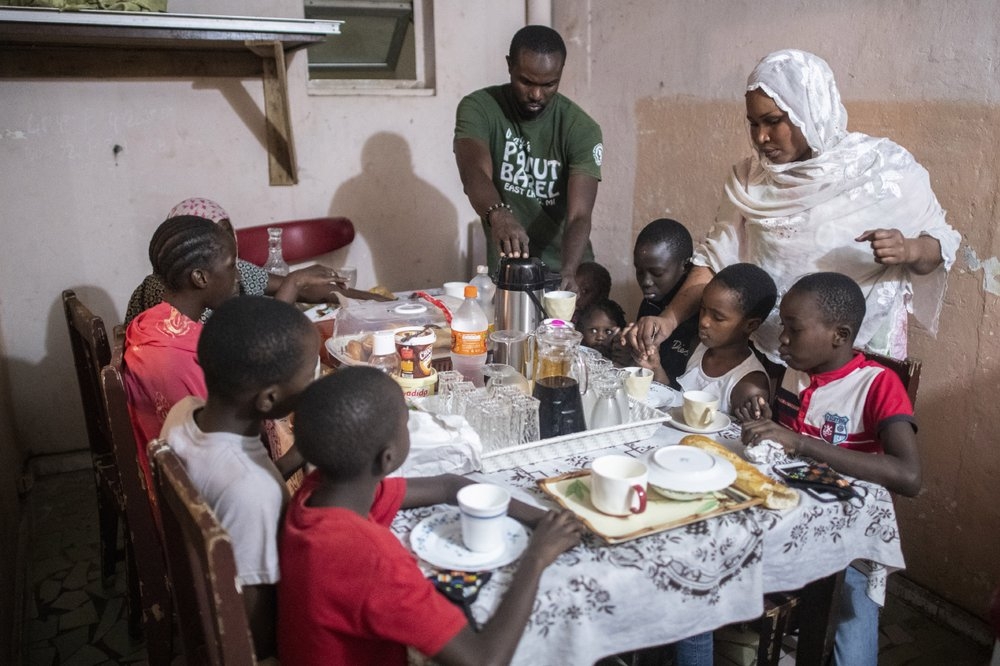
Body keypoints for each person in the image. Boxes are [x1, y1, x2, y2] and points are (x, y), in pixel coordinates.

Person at [628, 49, 960, 364]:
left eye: (772, 121)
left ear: (810, 111)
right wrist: (669, 319)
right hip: (770, 345)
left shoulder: (882, 169)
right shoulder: (748, 180)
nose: (760, 138)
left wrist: (910, 249)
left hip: (855, 358)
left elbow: (942, 242)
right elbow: (716, 260)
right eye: (754, 123)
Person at [277, 367, 584, 666]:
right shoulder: (371, 558)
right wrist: (537, 556)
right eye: (407, 424)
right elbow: (484, 659)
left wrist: (541, 520)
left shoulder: (320, 491)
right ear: (387, 458)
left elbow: (448, 484)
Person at [736, 272, 920, 666]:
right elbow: (788, 442)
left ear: (840, 334)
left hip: (845, 539)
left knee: (850, 619)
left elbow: (909, 477)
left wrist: (802, 443)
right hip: (787, 519)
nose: (782, 339)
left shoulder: (877, 385)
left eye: (793, 329)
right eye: (783, 326)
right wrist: (765, 418)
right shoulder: (796, 370)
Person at [158, 296, 316, 659]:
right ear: (269, 399)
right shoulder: (252, 492)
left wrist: (294, 457)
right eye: (309, 376)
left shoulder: (186, 412)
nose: (313, 383)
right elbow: (254, 634)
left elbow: (228, 481)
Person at [454, 25, 603, 291]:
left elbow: (579, 215)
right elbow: (473, 171)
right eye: (526, 82)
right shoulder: (480, 108)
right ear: (509, 65)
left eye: (549, 84)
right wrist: (499, 215)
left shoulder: (581, 128)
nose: (536, 94)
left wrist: (568, 272)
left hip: (567, 268)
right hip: (510, 272)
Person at [123, 215, 238, 489]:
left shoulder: (151, 321)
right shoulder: (182, 359)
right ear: (200, 277)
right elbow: (220, 454)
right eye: (231, 266)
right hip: (186, 503)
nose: (238, 275)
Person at [125, 197, 343, 324]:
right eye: (214, 241)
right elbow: (254, 349)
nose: (227, 244)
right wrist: (293, 281)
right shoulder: (165, 298)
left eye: (228, 235)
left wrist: (368, 302)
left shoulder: (230, 272)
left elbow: (303, 288)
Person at [676, 263, 776, 414]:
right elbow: (676, 402)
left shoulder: (749, 383)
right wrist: (654, 365)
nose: (704, 321)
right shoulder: (698, 347)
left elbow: (742, 435)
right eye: (703, 309)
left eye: (717, 317)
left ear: (750, 325)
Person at [616, 218, 699, 388]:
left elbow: (684, 393)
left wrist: (654, 368)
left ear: (685, 267)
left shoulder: (701, 317)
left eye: (657, 273)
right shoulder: (651, 303)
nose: (646, 282)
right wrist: (630, 351)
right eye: (639, 272)